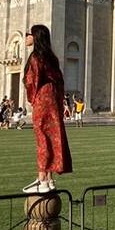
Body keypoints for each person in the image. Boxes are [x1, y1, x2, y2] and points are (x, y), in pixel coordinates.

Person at [22, 25, 73, 194]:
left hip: (43, 100)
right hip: (53, 100)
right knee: (52, 137)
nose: (26, 37)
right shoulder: (52, 58)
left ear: (35, 37)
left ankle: (42, 179)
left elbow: (31, 81)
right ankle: (49, 178)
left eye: (28, 34)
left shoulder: (36, 58)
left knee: (42, 138)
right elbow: (60, 81)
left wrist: (32, 98)